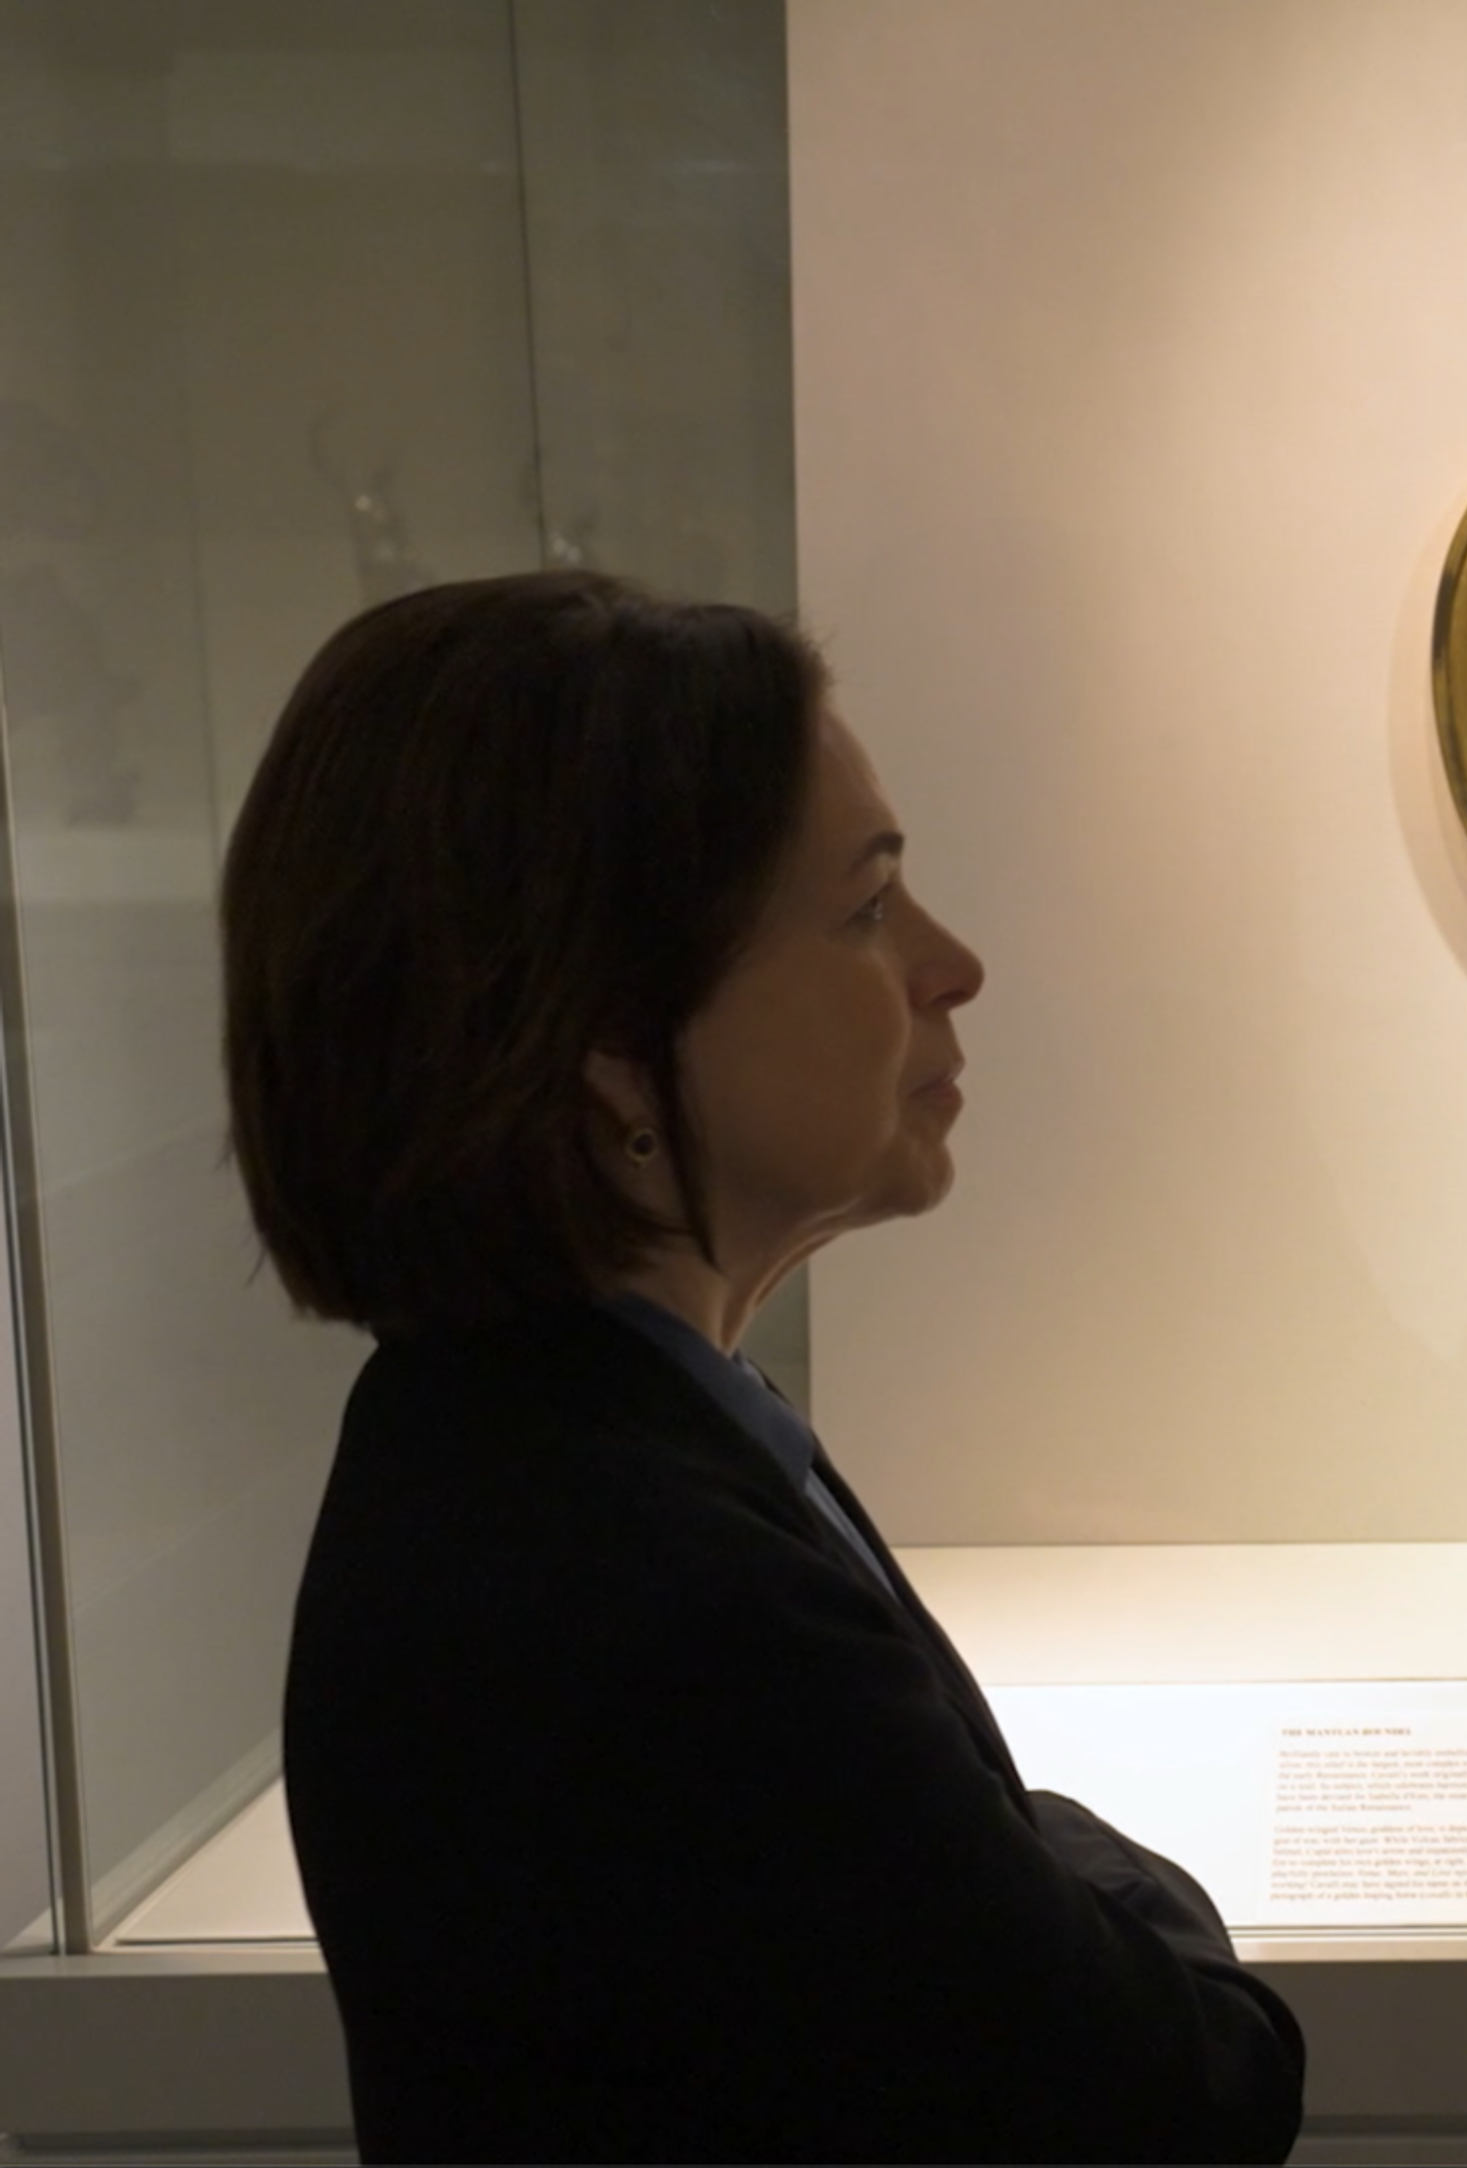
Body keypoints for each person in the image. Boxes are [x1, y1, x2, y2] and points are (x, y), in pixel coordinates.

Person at [226, 573, 1305, 2161]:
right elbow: (1190, 2090)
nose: (952, 967)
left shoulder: (545, 1441)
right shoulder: (661, 1594)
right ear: (611, 1045)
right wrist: (1093, 1883)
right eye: (867, 910)